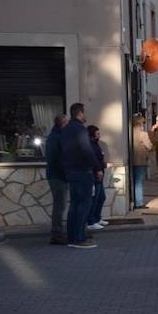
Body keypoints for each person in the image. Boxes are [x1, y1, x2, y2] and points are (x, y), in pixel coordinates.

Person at [61, 103, 99, 249]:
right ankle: (79, 238)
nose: (86, 115)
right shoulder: (80, 130)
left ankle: (72, 237)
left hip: (71, 171)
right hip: (82, 171)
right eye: (85, 112)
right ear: (81, 113)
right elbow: (87, 150)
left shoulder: (66, 130)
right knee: (84, 204)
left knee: (75, 205)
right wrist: (97, 168)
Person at [45, 114, 69, 245]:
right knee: (60, 205)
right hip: (58, 175)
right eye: (67, 122)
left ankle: (58, 232)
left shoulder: (55, 136)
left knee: (60, 205)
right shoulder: (57, 138)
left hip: (56, 174)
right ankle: (56, 233)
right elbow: (58, 158)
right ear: (62, 123)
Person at [86, 125, 108, 231]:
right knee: (94, 199)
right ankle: (91, 221)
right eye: (97, 134)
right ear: (92, 135)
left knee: (101, 197)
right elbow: (93, 159)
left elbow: (99, 156)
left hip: (100, 173)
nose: (99, 136)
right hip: (95, 175)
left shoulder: (96, 144)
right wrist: (98, 169)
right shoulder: (90, 145)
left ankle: (97, 218)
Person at [131, 115, 153, 210]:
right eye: (143, 122)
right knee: (139, 182)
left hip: (131, 160)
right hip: (140, 161)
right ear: (140, 123)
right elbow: (149, 146)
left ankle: (133, 201)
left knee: (134, 182)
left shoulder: (130, 133)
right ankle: (139, 202)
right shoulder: (143, 134)